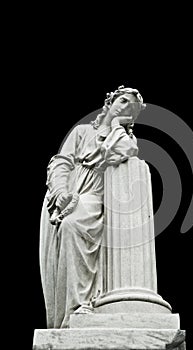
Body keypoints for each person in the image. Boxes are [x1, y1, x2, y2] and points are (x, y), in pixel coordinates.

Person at [39, 86, 146, 328]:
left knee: (73, 225)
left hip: (97, 195)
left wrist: (118, 126)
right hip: (75, 190)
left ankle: (81, 304)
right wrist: (60, 191)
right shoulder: (82, 132)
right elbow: (61, 162)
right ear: (109, 102)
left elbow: (125, 151)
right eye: (123, 101)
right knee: (68, 224)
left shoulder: (125, 138)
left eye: (133, 109)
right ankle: (72, 308)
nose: (126, 108)